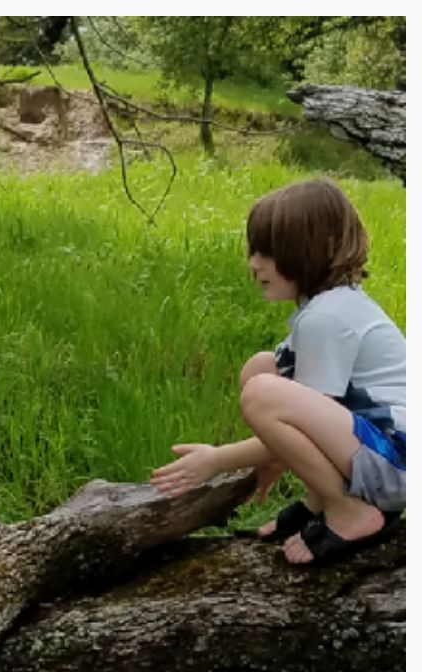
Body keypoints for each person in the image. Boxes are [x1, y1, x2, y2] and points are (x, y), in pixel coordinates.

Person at [152, 178, 404, 569]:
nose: (254, 264)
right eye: (254, 250)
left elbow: (306, 415)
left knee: (262, 393)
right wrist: (277, 455)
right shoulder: (330, 306)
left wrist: (217, 458)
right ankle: (323, 499)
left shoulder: (327, 318)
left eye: (267, 252)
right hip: (381, 451)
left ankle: (349, 510)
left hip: (396, 462)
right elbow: (313, 414)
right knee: (263, 366)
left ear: (311, 252)